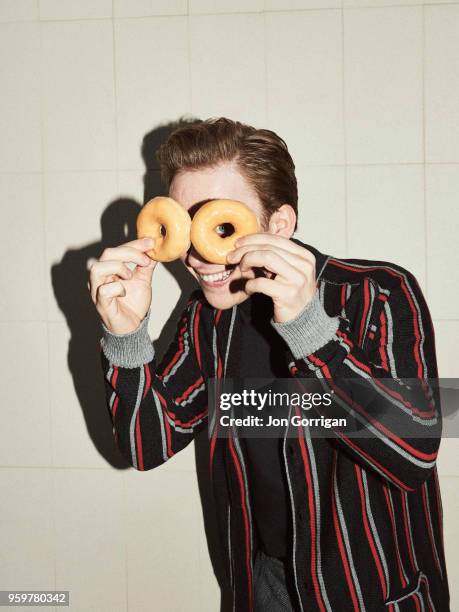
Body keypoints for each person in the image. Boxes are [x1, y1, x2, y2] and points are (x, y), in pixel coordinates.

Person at [88, 117, 450, 611]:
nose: (195, 253)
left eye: (218, 223)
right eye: (184, 222)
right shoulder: (207, 320)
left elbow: (416, 454)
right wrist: (127, 336)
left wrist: (310, 332)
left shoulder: (377, 291)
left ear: (279, 224)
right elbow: (146, 445)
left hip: (374, 595)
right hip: (263, 590)